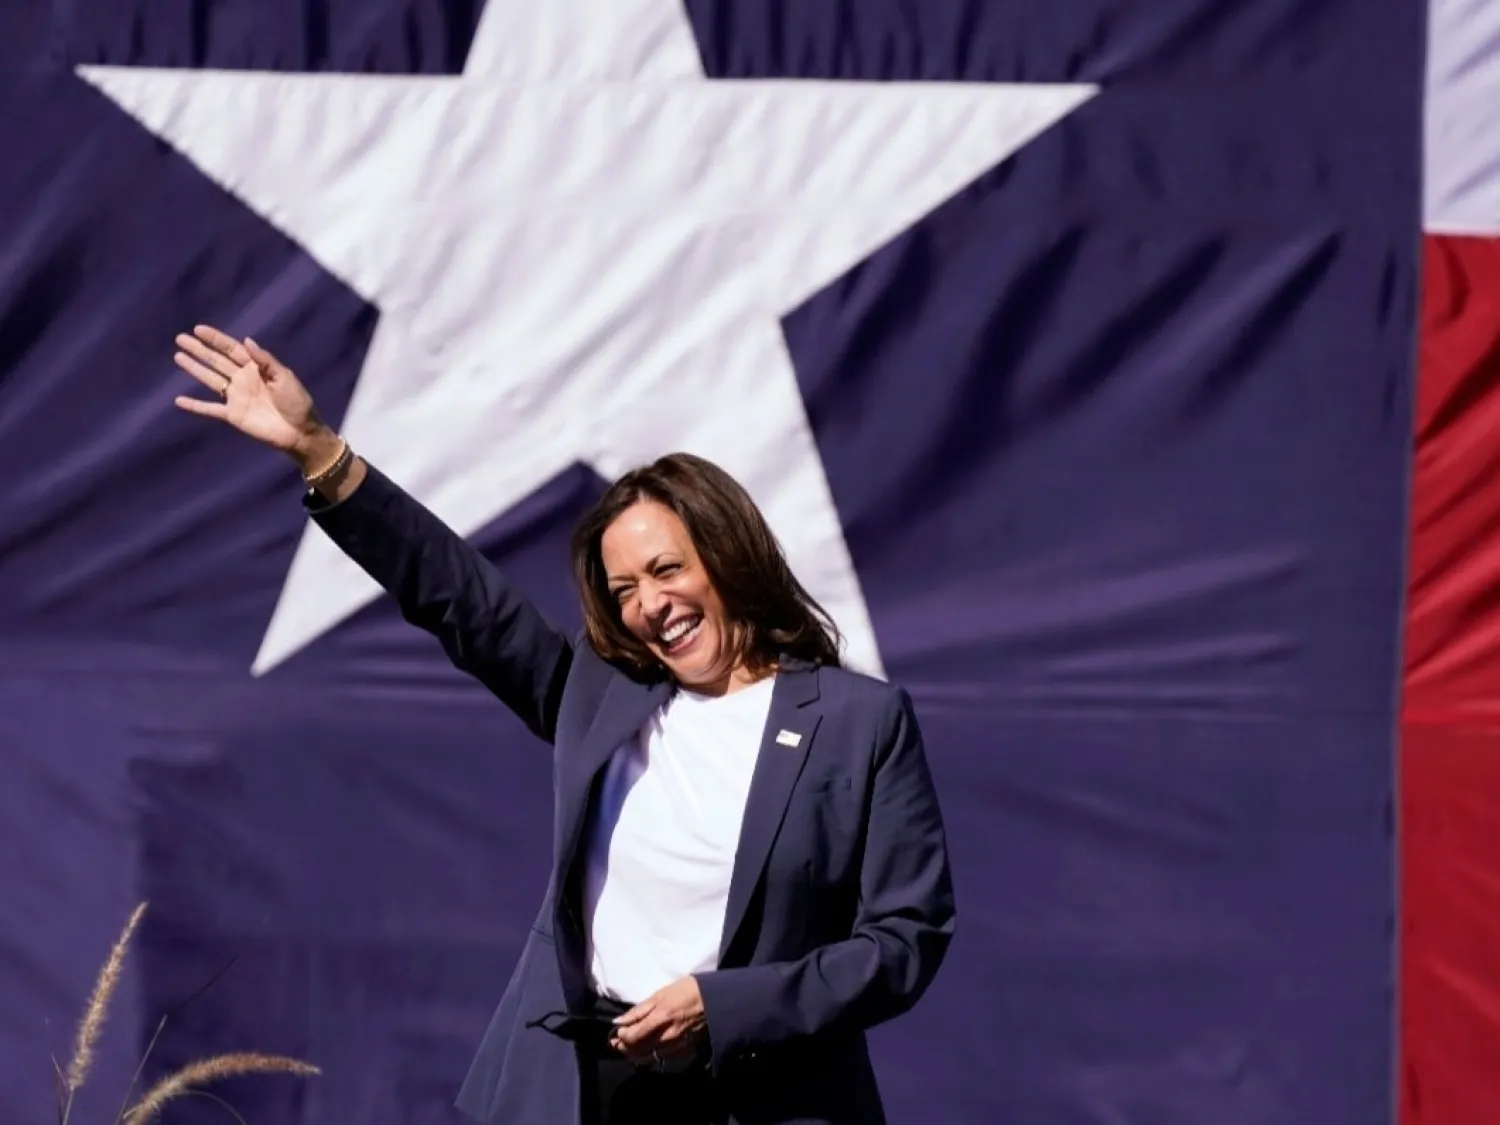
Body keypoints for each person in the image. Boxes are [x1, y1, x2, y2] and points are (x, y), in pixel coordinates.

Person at [171, 324, 957, 1125]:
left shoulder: (859, 721)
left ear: (729, 555)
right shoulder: (603, 694)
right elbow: (460, 598)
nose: (649, 605)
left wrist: (724, 1003)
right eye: (623, 590)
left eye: (666, 569)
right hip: (587, 1094)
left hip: (764, 1098)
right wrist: (318, 453)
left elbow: (906, 938)